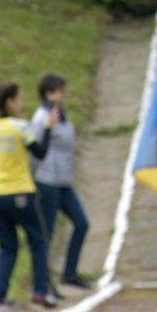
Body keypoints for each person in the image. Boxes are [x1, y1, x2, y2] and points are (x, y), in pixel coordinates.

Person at [0, 82, 58, 308]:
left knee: (7, 246)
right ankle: (40, 291)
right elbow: (40, 153)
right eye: (19, 99)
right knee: (38, 240)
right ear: (10, 102)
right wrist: (48, 128)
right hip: (20, 190)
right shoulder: (20, 127)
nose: (22, 104)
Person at [30, 73, 91, 292]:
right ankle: (43, 280)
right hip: (47, 180)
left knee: (81, 223)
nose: (65, 95)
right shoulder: (42, 118)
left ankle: (70, 272)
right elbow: (35, 150)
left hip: (64, 180)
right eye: (61, 91)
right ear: (49, 93)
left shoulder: (61, 115)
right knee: (47, 232)